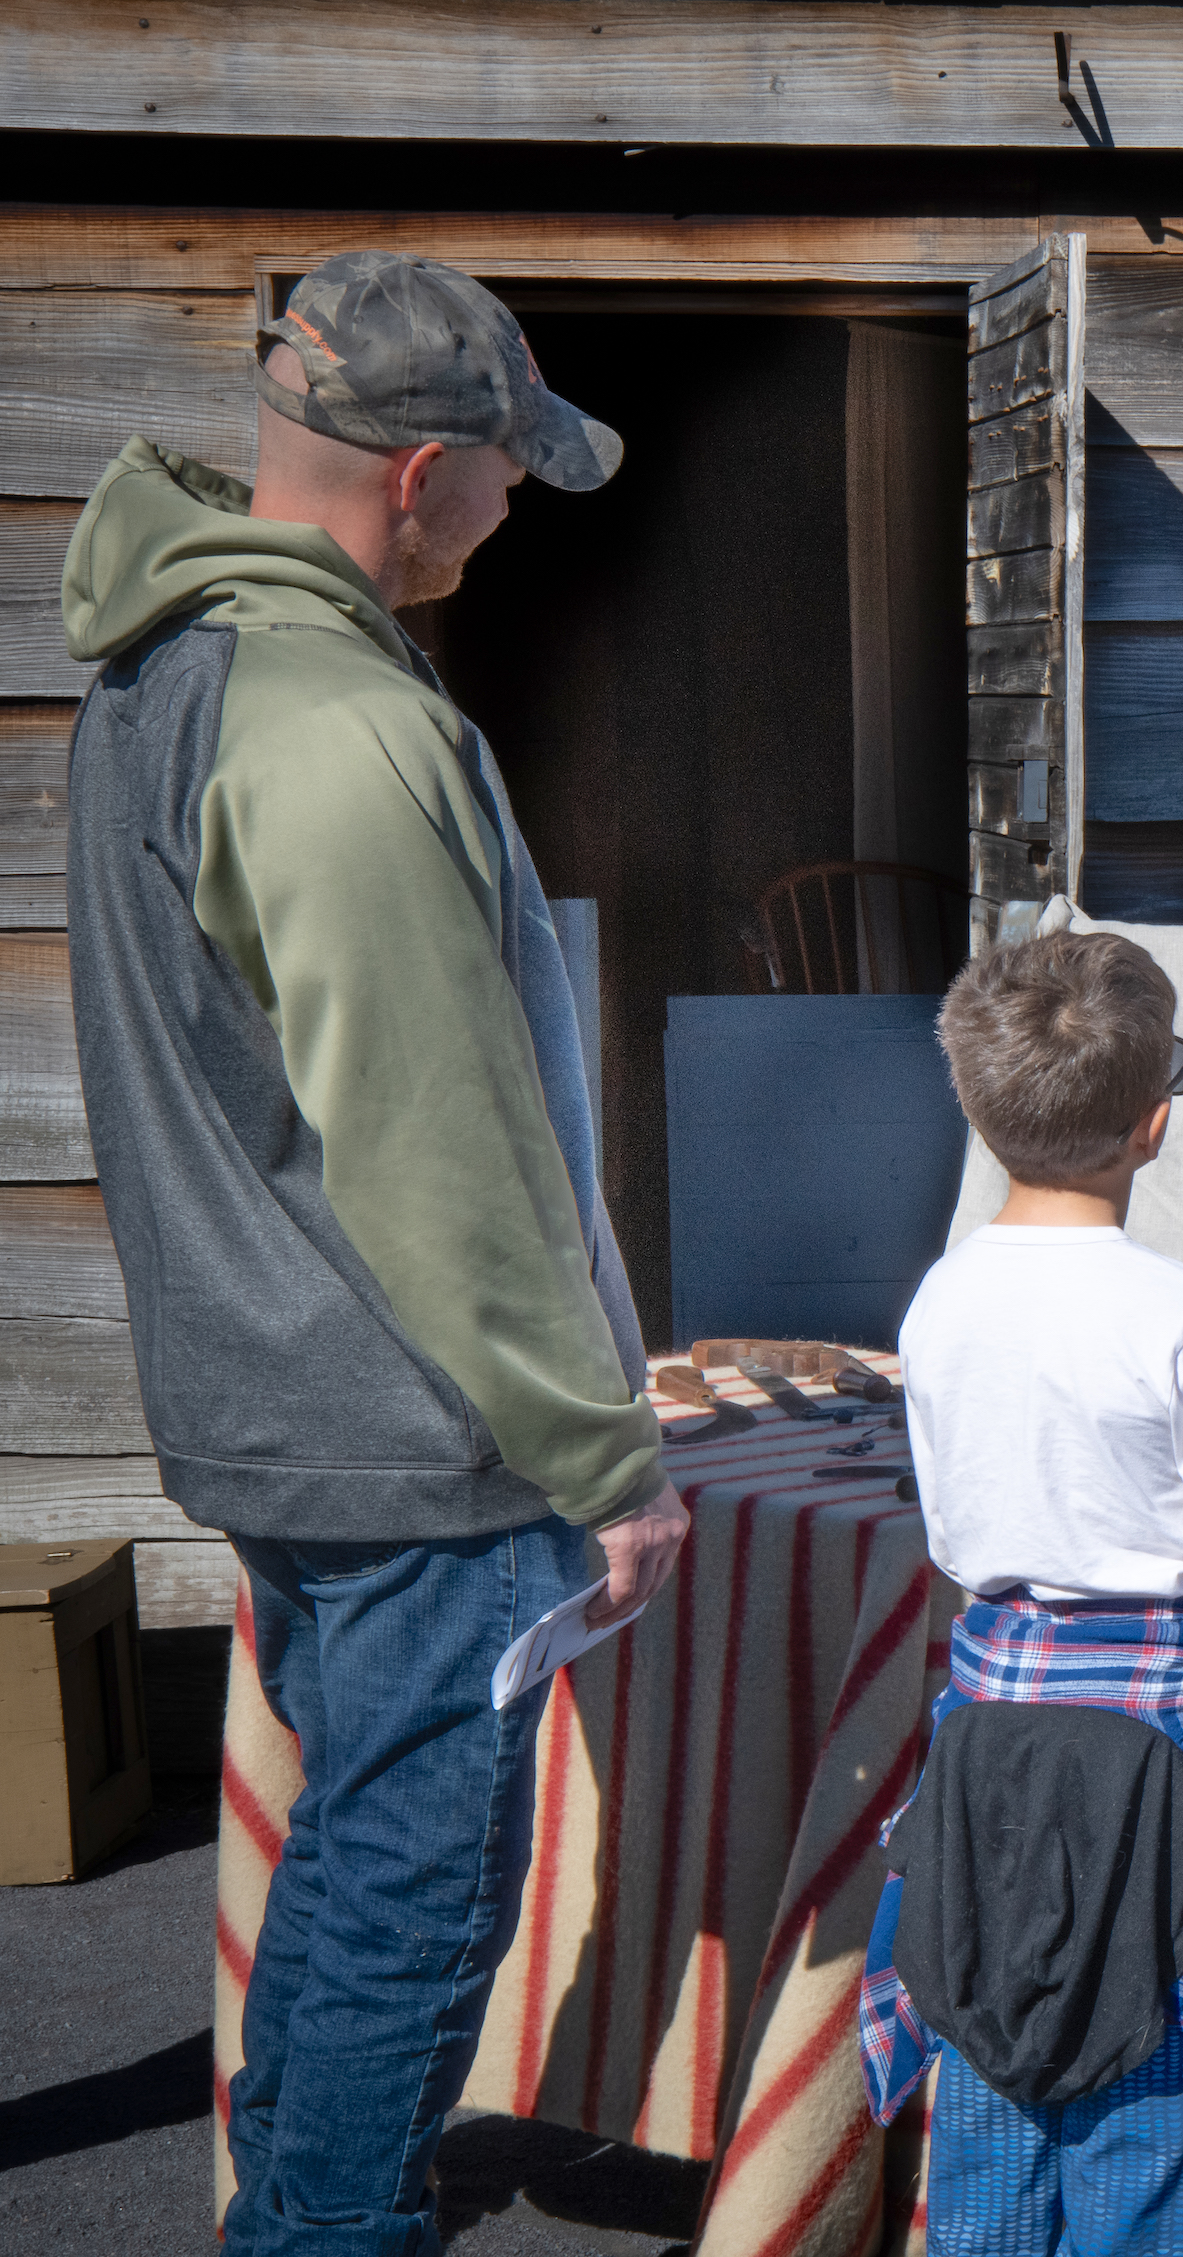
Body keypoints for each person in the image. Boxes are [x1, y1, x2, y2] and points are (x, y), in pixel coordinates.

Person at [59, 250, 690, 2253]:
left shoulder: (160, 664)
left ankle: (312, 2210)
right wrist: (608, 1452)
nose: (518, 516)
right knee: (422, 1889)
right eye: (510, 478)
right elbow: (444, 1149)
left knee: (351, 1851)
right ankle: (319, 2233)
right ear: (420, 474)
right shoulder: (324, 719)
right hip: (409, 1425)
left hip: (277, 1389)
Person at [864, 929, 1183, 2255]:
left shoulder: (941, 1296)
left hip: (996, 1715)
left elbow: (952, 1527)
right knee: (1154, 2059)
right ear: (1156, 1120)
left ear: (974, 1099)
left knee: (997, 2053)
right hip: (1168, 1734)